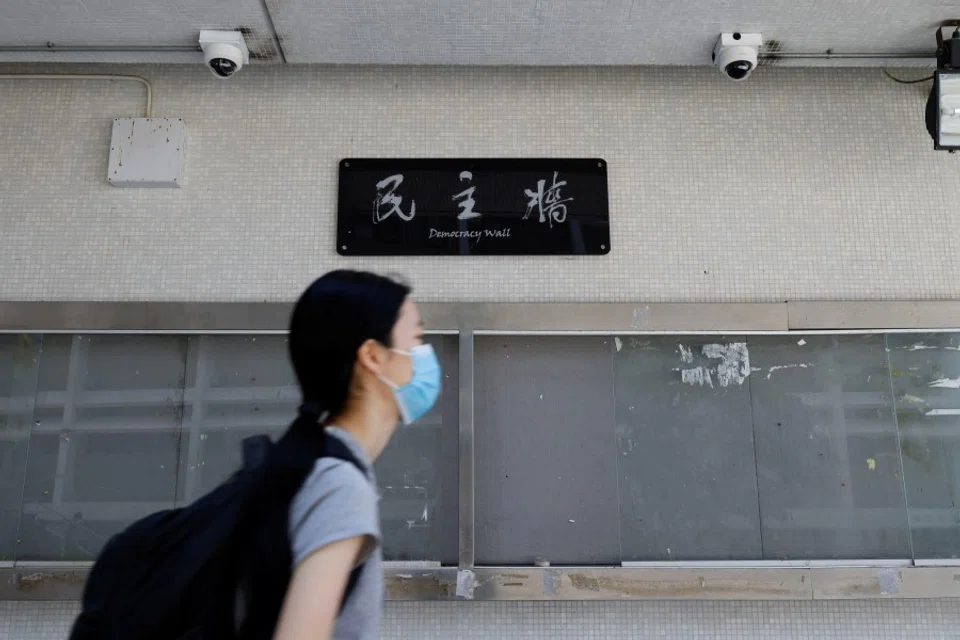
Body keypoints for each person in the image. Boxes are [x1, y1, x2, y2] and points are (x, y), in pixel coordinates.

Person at [274, 270, 441, 640]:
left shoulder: (304, 463)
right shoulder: (338, 485)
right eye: (417, 338)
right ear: (372, 356)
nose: (425, 356)